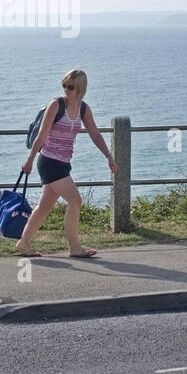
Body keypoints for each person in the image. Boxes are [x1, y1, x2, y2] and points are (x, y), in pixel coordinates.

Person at [17, 69, 118, 258]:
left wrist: (108, 156)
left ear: (80, 88)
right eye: (64, 85)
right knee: (75, 201)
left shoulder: (83, 109)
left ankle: (24, 243)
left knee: (44, 207)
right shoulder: (56, 105)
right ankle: (74, 247)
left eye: (70, 87)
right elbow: (42, 135)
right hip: (49, 162)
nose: (66, 89)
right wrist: (30, 159)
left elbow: (95, 134)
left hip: (63, 163)